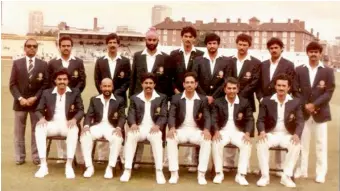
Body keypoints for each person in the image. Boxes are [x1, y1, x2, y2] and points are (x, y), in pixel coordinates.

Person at [293, 42, 336, 183]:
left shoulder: (328, 71)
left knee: (320, 144)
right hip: (303, 112)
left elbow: (329, 92)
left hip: (320, 113)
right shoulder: (299, 70)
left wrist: (314, 104)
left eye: (316, 52)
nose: (313, 54)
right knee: (302, 143)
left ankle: (320, 172)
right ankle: (301, 169)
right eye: (311, 51)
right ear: (307, 53)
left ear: (320, 54)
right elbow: (295, 90)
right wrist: (305, 105)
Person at [34, 68, 84, 179]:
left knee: (74, 129)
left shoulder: (75, 92)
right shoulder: (47, 93)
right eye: (59, 79)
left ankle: (69, 165)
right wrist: (41, 118)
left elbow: (81, 110)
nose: (62, 81)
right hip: (52, 123)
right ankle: (43, 165)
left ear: (68, 81)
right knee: (39, 128)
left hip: (67, 124)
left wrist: (74, 120)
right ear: (55, 81)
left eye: (65, 79)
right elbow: (38, 109)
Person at [256, 37, 296, 174]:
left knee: (281, 131)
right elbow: (258, 85)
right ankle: (263, 169)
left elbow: (291, 85)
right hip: (266, 105)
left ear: (281, 49)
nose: (273, 50)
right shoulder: (263, 65)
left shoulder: (288, 65)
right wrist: (261, 98)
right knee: (267, 134)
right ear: (268, 50)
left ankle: (280, 167)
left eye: (276, 48)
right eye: (271, 48)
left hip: (281, 102)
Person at [256, 74, 303, 187]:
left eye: (284, 86)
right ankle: (264, 176)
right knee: (261, 143)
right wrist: (262, 131)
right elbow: (260, 120)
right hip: (271, 134)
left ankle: (286, 177)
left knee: (296, 145)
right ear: (275, 86)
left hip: (287, 134)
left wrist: (296, 134)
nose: (281, 88)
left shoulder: (295, 102)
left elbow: (300, 121)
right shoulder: (266, 101)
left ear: (289, 87)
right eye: (279, 85)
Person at [120, 73, 167, 184]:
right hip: (139, 127)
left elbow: (164, 115)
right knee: (131, 135)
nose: (148, 85)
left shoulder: (162, 97)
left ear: (154, 84)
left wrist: (157, 125)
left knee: (157, 137)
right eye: (146, 83)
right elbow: (131, 114)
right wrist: (132, 124)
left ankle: (159, 171)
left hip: (154, 128)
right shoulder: (135, 98)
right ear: (142, 84)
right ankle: (127, 169)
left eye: (151, 83)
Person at [223, 33, 261, 171]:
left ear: (249, 46)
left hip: (247, 102)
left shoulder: (255, 63)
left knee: (245, 132)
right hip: (230, 100)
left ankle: (245, 165)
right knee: (230, 128)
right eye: (240, 44)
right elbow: (226, 79)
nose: (242, 47)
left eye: (245, 45)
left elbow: (254, 82)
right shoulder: (229, 61)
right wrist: (233, 93)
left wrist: (239, 95)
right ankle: (228, 163)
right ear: (236, 44)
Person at [169, 26, 204, 172]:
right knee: (176, 125)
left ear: (194, 39)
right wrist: (177, 91)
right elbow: (169, 76)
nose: (188, 39)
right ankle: (171, 161)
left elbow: (201, 77)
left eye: (190, 36)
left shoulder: (200, 54)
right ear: (181, 38)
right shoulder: (174, 54)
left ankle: (193, 161)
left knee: (194, 124)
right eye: (185, 36)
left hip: (194, 94)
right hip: (178, 95)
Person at [167, 72, 212, 185]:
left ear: (196, 84)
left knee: (206, 140)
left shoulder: (202, 99)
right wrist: (172, 127)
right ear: (183, 84)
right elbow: (171, 114)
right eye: (187, 82)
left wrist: (206, 129)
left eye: (192, 82)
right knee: (171, 138)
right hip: (180, 130)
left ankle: (201, 174)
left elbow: (207, 116)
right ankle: (174, 173)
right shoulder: (176, 98)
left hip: (196, 131)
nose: (189, 85)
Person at [9, 38, 48, 165]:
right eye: (29, 46)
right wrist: (20, 98)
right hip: (20, 104)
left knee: (36, 131)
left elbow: (45, 85)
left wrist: (35, 98)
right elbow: (12, 84)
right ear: (24, 48)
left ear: (37, 48)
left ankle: (36, 157)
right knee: (19, 132)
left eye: (34, 46)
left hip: (35, 104)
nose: (32, 48)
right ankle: (20, 157)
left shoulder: (43, 64)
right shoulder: (17, 63)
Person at [47, 35, 86, 163]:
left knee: (74, 126)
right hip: (57, 100)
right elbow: (49, 82)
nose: (66, 48)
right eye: (63, 46)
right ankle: (61, 156)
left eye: (68, 46)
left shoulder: (78, 62)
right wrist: (59, 93)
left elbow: (82, 80)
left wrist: (73, 94)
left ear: (71, 47)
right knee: (58, 122)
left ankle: (78, 156)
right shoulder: (53, 62)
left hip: (73, 100)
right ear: (59, 47)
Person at [94, 33, 131, 162]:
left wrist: (115, 94)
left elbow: (127, 81)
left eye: (114, 42)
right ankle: (102, 156)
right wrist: (106, 92)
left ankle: (120, 155)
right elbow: (97, 80)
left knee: (119, 127)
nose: (112, 45)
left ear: (118, 44)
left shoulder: (125, 61)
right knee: (102, 124)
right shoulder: (100, 61)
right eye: (110, 42)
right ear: (107, 44)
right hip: (103, 99)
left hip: (119, 99)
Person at [80, 78, 125, 179]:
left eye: (109, 86)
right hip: (98, 126)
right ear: (100, 87)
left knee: (117, 138)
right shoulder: (94, 99)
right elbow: (89, 114)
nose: (107, 88)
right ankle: (89, 166)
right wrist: (86, 126)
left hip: (111, 127)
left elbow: (122, 117)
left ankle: (110, 167)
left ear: (112, 87)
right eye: (104, 86)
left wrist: (118, 127)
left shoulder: (119, 100)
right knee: (85, 136)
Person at [211, 77, 253, 185]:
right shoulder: (217, 102)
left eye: (234, 88)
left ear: (238, 89)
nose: (232, 91)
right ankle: (219, 173)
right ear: (224, 89)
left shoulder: (245, 102)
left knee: (247, 143)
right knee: (216, 142)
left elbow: (249, 119)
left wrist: (247, 134)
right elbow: (214, 118)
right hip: (222, 131)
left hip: (238, 132)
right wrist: (216, 131)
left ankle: (241, 175)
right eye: (229, 88)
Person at [192, 33, 229, 105]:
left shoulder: (226, 61)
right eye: (209, 43)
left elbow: (225, 81)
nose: (212, 46)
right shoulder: (198, 60)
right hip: (201, 99)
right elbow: (194, 79)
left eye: (214, 43)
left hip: (219, 100)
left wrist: (214, 97)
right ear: (206, 45)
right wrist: (205, 97)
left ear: (218, 44)